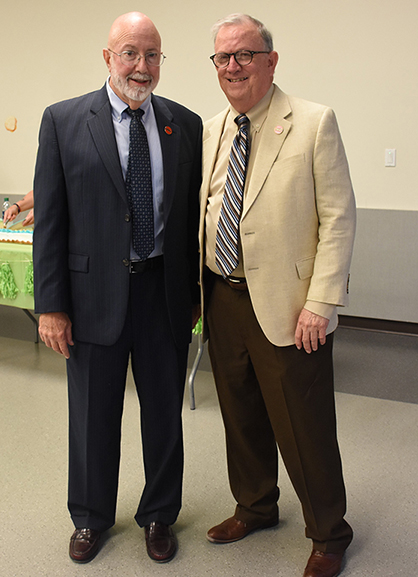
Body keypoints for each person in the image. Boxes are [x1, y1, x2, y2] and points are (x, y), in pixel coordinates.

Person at [33, 12, 202, 564]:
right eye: (130, 53)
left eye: (152, 55)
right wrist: (52, 306)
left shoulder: (185, 125)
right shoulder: (62, 121)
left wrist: (196, 296)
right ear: (107, 58)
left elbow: (189, 224)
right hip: (90, 300)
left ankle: (158, 514)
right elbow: (51, 222)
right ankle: (90, 517)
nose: (142, 66)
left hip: (162, 296)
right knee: (91, 416)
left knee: (163, 414)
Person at [199, 13, 356, 577]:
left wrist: (322, 301)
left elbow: (338, 218)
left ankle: (329, 533)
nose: (232, 65)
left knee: (304, 422)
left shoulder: (313, 122)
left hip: (291, 305)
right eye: (222, 57)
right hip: (223, 296)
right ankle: (256, 505)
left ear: (270, 60)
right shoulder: (212, 129)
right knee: (240, 414)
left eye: (243, 54)